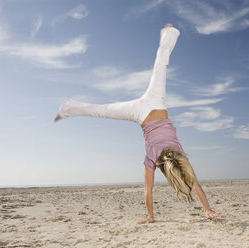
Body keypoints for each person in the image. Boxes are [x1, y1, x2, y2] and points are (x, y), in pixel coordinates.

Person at [54, 24, 220, 224]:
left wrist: (206, 209)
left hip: (156, 103)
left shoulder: (180, 154)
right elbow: (149, 190)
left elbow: (193, 184)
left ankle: (168, 32)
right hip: (139, 114)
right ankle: (67, 108)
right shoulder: (153, 159)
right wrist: (206, 210)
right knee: (103, 111)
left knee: (160, 65)